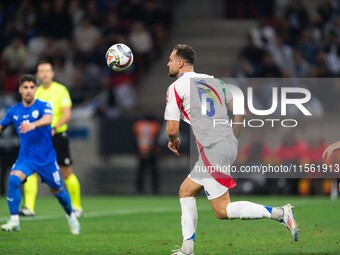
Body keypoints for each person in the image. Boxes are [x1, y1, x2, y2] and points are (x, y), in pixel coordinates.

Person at [164, 44, 299, 255]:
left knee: (222, 210)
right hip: (224, 144)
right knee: (186, 191)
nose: (168, 64)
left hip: (213, 148)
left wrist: (173, 141)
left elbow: (172, 129)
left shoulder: (176, 88)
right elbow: (240, 111)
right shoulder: (214, 82)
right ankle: (187, 248)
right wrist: (232, 138)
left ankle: (280, 213)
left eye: (171, 60)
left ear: (180, 63)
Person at [0, 74, 80, 234]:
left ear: (35, 89)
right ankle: (14, 220)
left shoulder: (43, 106)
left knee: (57, 190)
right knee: (14, 179)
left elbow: (49, 119)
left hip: (46, 160)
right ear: (20, 90)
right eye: (25, 88)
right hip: (26, 158)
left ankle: (71, 215)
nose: (29, 91)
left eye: (31, 87)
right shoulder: (14, 111)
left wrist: (33, 125)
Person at [21, 60, 83, 217]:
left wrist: (54, 128)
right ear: (37, 74)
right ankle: (29, 207)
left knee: (66, 171)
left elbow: (67, 114)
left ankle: (76, 206)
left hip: (58, 135)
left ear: (52, 73)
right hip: (40, 138)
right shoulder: (36, 92)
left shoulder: (61, 90)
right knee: (32, 171)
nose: (44, 74)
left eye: (47, 71)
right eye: (41, 71)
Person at [133, 114, 161, 194]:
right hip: (151, 152)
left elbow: (135, 139)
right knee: (153, 172)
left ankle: (139, 190)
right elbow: (156, 139)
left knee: (141, 173)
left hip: (141, 151)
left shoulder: (138, 124)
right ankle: (155, 190)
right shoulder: (154, 125)